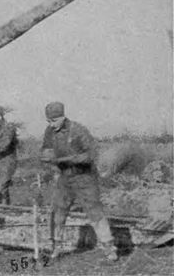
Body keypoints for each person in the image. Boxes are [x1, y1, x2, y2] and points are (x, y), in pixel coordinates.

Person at [40, 102, 117, 261]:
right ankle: (55, 248)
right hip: (64, 177)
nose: (51, 124)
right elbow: (46, 149)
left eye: (54, 121)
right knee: (58, 212)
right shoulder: (50, 131)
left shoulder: (78, 130)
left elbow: (91, 155)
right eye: (48, 121)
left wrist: (65, 159)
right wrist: (47, 158)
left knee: (94, 212)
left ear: (62, 116)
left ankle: (109, 249)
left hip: (85, 177)